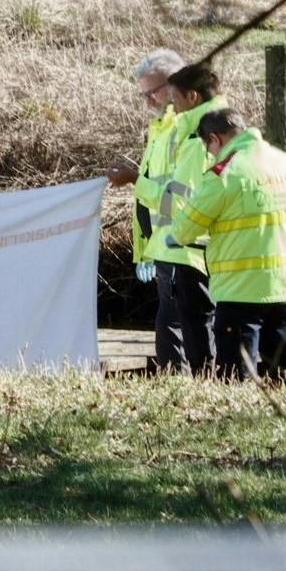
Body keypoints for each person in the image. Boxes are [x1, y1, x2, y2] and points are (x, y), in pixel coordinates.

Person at [170, 107, 286, 382]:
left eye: (209, 149)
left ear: (215, 139)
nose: (211, 155)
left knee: (235, 379)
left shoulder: (224, 174)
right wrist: (275, 235)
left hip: (238, 292)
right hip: (284, 287)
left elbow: (183, 229)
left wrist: (176, 237)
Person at [106, 48, 215, 374]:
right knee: (172, 333)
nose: (147, 102)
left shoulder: (190, 132)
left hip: (189, 249)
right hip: (169, 248)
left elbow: (178, 196)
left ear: (174, 86)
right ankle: (179, 392)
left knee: (188, 335)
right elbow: (155, 197)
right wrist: (147, 252)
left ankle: (191, 394)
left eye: (151, 93)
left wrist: (133, 180)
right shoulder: (161, 129)